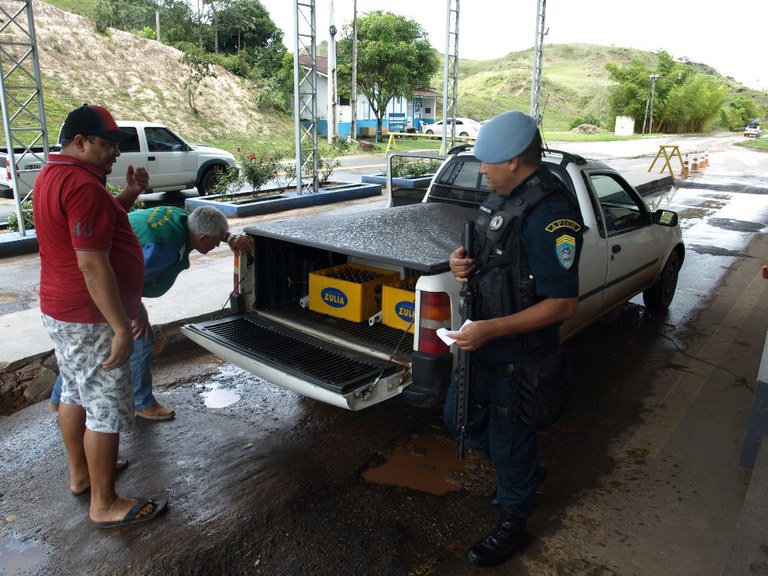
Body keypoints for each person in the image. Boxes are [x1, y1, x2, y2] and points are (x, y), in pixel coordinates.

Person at [444, 111, 583, 567]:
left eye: (488, 162)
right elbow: (494, 259)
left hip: (517, 352)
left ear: (517, 161)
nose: (481, 170)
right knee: (458, 419)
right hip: (483, 338)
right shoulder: (504, 197)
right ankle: (522, 472)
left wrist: (494, 329)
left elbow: (562, 304)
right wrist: (461, 263)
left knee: (508, 438)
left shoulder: (550, 213)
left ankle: (514, 521)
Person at [34, 103, 167, 527]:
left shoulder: (54, 175)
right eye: (108, 145)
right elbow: (93, 264)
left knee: (74, 391)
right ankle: (105, 504)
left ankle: (82, 477)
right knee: (106, 407)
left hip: (62, 311)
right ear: (80, 142)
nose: (115, 154)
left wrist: (126, 197)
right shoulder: (83, 187)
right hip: (89, 318)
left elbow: (98, 227)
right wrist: (119, 327)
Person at [49, 205, 253, 419]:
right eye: (215, 241)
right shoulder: (164, 251)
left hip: (82, 265)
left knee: (86, 344)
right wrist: (139, 313)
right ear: (202, 238)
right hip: (95, 281)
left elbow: (205, 226)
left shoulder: (181, 217)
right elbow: (123, 284)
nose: (215, 246)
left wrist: (229, 237)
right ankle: (142, 402)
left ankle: (58, 398)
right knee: (141, 337)